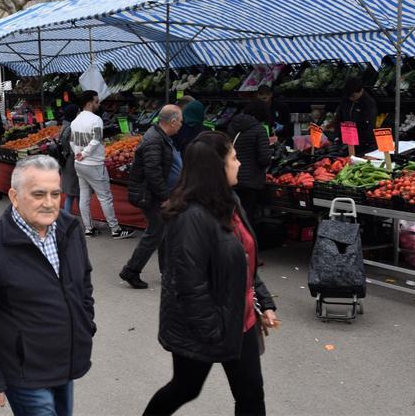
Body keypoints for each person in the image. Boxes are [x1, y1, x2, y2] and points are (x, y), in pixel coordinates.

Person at [143, 131, 277, 415]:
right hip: (204, 326)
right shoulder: (190, 217)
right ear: (217, 167)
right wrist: (214, 329)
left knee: (251, 395)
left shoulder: (232, 202)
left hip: (241, 320)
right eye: (234, 158)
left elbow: (245, 259)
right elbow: (188, 285)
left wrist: (263, 301)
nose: (240, 163)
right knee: (185, 387)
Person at [0, 155, 95, 416]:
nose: (49, 203)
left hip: (65, 361)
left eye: (56, 194)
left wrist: (85, 324)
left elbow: (83, 283)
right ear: (14, 195)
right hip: (24, 372)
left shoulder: (70, 228)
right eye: (38, 194)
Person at [121, 105, 183, 289]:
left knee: (162, 233)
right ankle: (131, 271)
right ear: (172, 122)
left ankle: (167, 272)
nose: (181, 125)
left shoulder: (160, 137)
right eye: (180, 122)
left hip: (156, 193)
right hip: (152, 195)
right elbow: (153, 172)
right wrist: (165, 196)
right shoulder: (154, 140)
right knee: (155, 233)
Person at [70, 90, 134, 239]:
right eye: (96, 101)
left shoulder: (75, 121)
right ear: (89, 103)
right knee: (105, 197)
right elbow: (97, 139)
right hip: (93, 164)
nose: (98, 104)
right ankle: (115, 229)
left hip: (79, 163)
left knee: (84, 196)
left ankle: (88, 228)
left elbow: (72, 141)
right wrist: (85, 153)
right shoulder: (96, 120)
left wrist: (78, 153)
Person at [227, 101, 273, 225]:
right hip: (250, 181)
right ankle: (245, 243)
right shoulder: (259, 130)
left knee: (234, 216)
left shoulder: (232, 126)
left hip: (233, 177)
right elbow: (264, 159)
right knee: (247, 218)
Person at [333, 78, 377, 155]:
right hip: (346, 140)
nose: (351, 98)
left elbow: (367, 126)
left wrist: (357, 142)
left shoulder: (369, 103)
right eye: (349, 96)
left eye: (353, 95)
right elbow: (338, 118)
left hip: (362, 143)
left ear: (360, 91)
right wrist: (338, 136)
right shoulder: (346, 99)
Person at [58, 104, 82, 214]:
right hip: (72, 164)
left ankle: (67, 220)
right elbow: (75, 148)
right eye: (78, 112)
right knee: (79, 194)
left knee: (71, 195)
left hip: (66, 164)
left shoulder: (64, 126)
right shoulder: (71, 128)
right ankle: (86, 222)